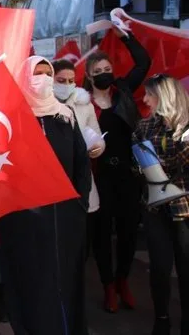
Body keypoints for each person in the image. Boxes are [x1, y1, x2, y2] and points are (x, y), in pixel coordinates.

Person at [0, 56, 91, 335]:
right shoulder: (12, 117)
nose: (42, 79)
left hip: (64, 216)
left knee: (64, 279)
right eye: (35, 73)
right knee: (32, 279)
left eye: (46, 73)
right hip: (25, 218)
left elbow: (81, 163)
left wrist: (79, 203)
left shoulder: (65, 116)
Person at [85, 25, 151, 312]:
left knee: (127, 232)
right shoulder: (82, 102)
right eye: (98, 69)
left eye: (107, 67)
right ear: (89, 75)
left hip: (128, 174)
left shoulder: (123, 90)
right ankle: (108, 285)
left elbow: (144, 62)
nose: (104, 72)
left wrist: (125, 34)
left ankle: (123, 280)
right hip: (99, 177)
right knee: (101, 233)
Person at [133, 74, 189, 335]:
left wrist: (157, 165)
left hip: (184, 208)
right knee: (159, 267)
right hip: (155, 206)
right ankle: (162, 318)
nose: (144, 100)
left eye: (150, 94)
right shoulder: (145, 126)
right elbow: (137, 163)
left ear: (164, 96)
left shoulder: (186, 126)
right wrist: (144, 166)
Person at [53, 58, 106, 214]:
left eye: (71, 81)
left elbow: (96, 134)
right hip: (55, 173)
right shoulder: (43, 106)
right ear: (51, 80)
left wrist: (98, 147)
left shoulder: (85, 105)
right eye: (61, 80)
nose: (67, 85)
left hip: (80, 170)